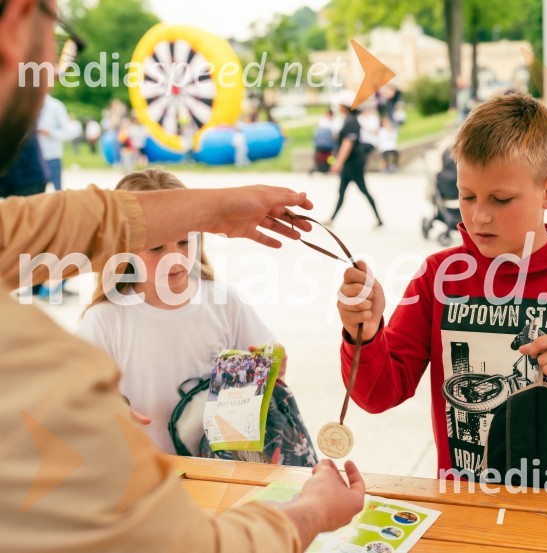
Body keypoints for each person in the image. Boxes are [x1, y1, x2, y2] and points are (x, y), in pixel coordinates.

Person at [0, 0, 364, 549]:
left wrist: (211, 210)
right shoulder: (53, 363)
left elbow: (32, 228)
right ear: (15, 26)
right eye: (60, 32)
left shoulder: (216, 298)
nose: (51, 66)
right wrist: (309, 513)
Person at [335, 93, 547, 480]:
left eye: (501, 199)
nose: (479, 216)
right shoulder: (438, 275)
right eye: (466, 196)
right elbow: (378, 394)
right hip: (468, 506)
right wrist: (363, 333)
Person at [76, 169, 315, 467]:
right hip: (145, 481)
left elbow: (274, 371)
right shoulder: (104, 321)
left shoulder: (223, 302)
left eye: (184, 242)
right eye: (157, 247)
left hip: (223, 475)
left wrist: (269, 367)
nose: (174, 257)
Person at [326, 90, 383, 228]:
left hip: (353, 163)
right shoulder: (349, 120)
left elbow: (348, 143)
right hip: (350, 163)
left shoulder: (351, 121)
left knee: (363, 190)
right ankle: (331, 219)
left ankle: (379, 218)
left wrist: (338, 162)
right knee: (342, 191)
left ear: (344, 105)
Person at [36, 93, 72, 191]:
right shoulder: (27, 103)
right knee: (35, 193)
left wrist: (50, 133)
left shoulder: (55, 106)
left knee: (57, 191)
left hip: (52, 155)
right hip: (34, 156)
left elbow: (68, 132)